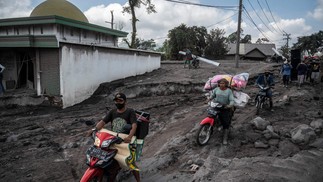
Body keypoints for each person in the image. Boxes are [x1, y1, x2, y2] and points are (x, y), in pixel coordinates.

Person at [86, 92, 140, 182]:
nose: (118, 102)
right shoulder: (112, 112)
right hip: (113, 139)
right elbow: (103, 122)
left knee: (130, 162)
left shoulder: (130, 112)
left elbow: (134, 125)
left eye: (120, 100)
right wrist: (93, 129)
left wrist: (130, 137)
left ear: (125, 102)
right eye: (116, 100)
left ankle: (138, 180)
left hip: (124, 140)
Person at [208, 78, 234, 145]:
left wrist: (230, 105)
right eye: (220, 83)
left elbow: (231, 100)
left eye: (223, 83)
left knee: (226, 123)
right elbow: (213, 95)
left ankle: (225, 137)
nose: (221, 84)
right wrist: (209, 99)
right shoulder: (216, 89)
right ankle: (208, 127)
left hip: (225, 107)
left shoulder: (229, 91)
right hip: (216, 105)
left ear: (226, 84)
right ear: (218, 84)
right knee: (210, 115)